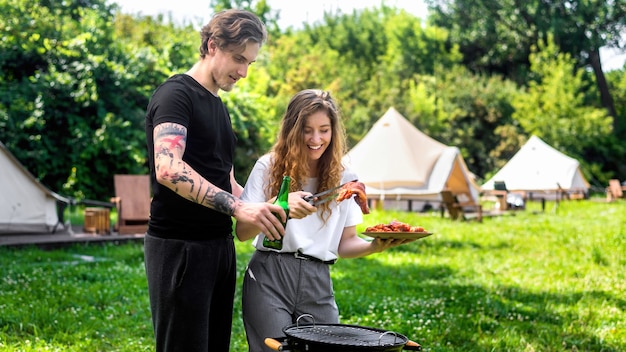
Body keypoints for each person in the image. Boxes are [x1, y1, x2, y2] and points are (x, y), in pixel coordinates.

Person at [143, 9, 287, 352]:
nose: (244, 72)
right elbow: (168, 168)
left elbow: (229, 183)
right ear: (211, 45)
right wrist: (238, 207)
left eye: (250, 63)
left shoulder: (220, 109)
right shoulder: (176, 95)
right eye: (239, 59)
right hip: (180, 248)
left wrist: (263, 209)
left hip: (218, 248)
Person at [235, 89, 412, 352]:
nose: (316, 139)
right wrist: (279, 206)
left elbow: (347, 242)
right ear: (292, 130)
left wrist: (376, 245)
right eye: (307, 130)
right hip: (269, 276)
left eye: (324, 130)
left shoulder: (345, 177)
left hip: (318, 280)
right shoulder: (268, 166)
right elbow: (242, 231)